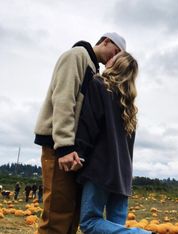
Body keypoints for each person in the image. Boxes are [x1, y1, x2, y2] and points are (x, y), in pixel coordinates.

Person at [34, 32, 126, 234]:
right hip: (60, 146)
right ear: (105, 41)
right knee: (57, 214)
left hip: (74, 150)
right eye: (116, 51)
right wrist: (65, 146)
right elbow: (64, 99)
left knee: (71, 214)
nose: (115, 57)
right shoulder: (77, 55)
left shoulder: (93, 67)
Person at [72, 52, 152, 234]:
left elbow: (88, 125)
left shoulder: (99, 84)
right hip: (123, 176)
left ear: (115, 65)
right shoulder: (130, 106)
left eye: (113, 57)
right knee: (116, 228)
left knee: (89, 222)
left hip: (101, 170)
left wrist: (79, 153)